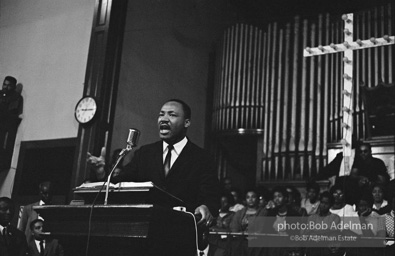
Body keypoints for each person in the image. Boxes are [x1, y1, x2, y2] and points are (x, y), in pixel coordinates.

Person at [88, 99, 220, 225]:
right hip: (146, 228)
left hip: (181, 231)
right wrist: (101, 173)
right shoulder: (145, 153)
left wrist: (206, 207)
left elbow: (212, 198)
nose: (164, 119)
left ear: (187, 122)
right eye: (161, 114)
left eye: (172, 115)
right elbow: (120, 185)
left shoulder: (202, 158)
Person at [0, 76, 23, 170]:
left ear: (13, 87)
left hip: (7, 123)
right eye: (4, 84)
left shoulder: (16, 97)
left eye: (9, 85)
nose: (5, 87)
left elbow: (13, 111)